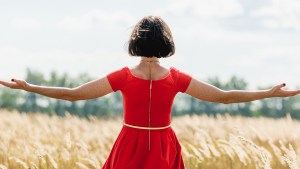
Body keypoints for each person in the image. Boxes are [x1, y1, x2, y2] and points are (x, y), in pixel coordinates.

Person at [0, 15, 300, 169]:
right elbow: (224, 96)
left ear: (135, 42)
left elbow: (73, 94)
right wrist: (267, 93)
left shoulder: (124, 76)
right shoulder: (176, 78)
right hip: (163, 142)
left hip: (130, 140)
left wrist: (29, 87)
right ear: (167, 42)